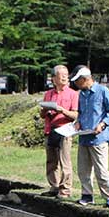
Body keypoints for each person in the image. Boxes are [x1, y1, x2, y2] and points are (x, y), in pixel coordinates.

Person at [71, 66, 109, 208]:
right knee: (83, 170)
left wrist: (102, 125)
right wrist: (77, 122)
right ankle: (87, 195)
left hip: (99, 137)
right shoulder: (81, 94)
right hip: (84, 136)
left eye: (78, 81)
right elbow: (80, 113)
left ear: (86, 79)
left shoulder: (103, 91)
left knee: (101, 170)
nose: (77, 85)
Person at [40, 64, 80, 198]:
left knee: (65, 161)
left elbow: (75, 115)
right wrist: (46, 109)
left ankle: (66, 189)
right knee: (51, 160)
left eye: (66, 74)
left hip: (65, 130)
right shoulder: (48, 94)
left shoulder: (73, 94)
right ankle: (54, 186)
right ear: (53, 79)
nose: (64, 77)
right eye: (61, 75)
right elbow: (42, 114)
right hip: (50, 129)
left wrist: (62, 110)